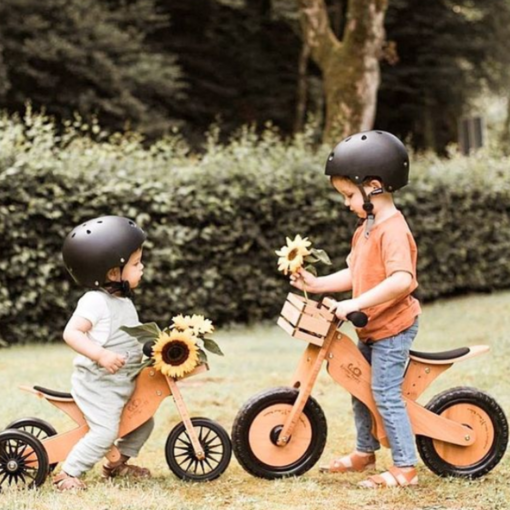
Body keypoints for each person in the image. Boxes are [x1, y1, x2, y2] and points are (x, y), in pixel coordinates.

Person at [290, 130, 421, 488]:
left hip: (393, 327)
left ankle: (405, 468)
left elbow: (401, 280)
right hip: (371, 325)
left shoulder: (393, 229)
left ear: (374, 186)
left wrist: (355, 303)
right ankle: (365, 451)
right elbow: (356, 271)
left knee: (383, 393)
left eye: (349, 194)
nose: (346, 203)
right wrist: (317, 284)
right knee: (359, 385)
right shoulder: (367, 226)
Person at [54, 215, 154, 491]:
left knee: (144, 421)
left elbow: (130, 337)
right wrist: (100, 355)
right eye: (135, 263)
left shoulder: (122, 301)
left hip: (121, 383)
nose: (142, 267)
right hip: (98, 385)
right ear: (113, 273)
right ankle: (68, 474)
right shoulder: (95, 302)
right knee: (105, 431)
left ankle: (115, 464)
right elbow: (71, 333)